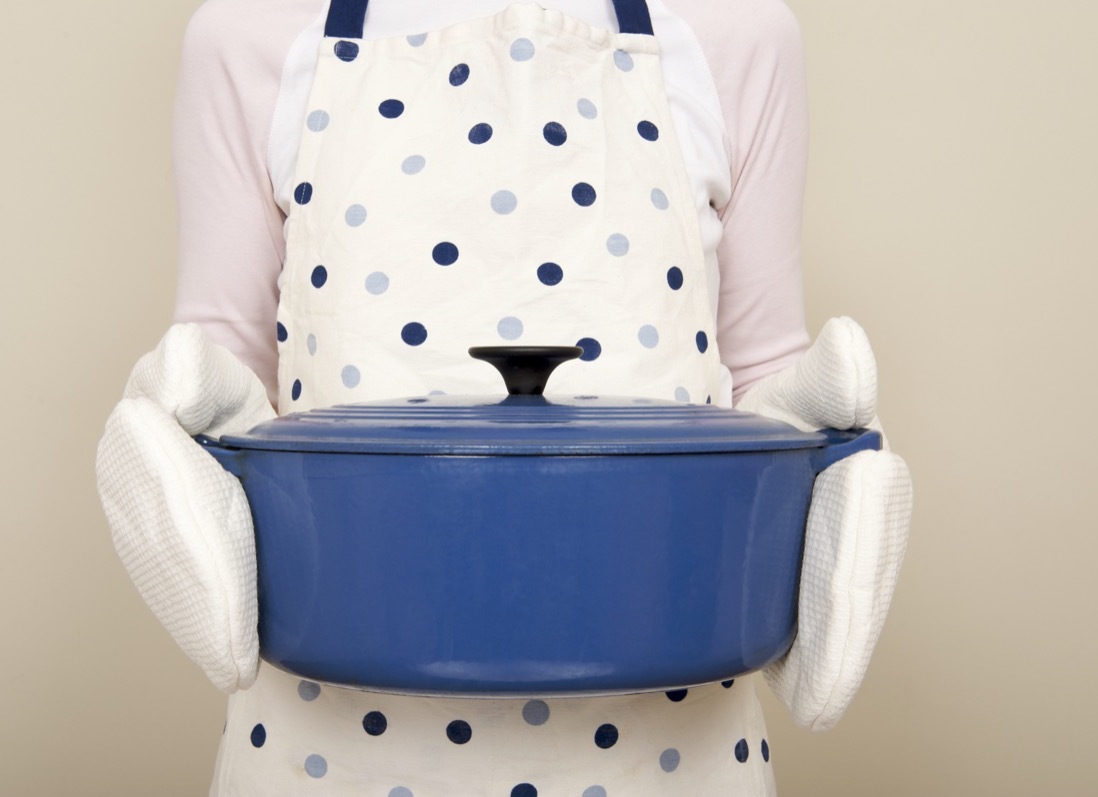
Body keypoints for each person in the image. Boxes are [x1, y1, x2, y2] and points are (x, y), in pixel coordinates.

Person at [97, 0, 912, 794]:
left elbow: (764, 367)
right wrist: (181, 426)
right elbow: (225, 367)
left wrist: (821, 463)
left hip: (671, 745)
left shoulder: (737, 32)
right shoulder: (247, 35)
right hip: (329, 746)